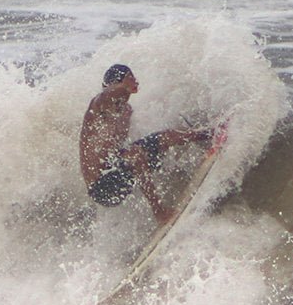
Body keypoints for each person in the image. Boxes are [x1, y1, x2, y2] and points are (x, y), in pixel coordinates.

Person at [79, 64, 212, 224]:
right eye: (130, 78)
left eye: (133, 77)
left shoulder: (126, 110)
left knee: (166, 137)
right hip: (102, 187)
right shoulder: (99, 107)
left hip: (118, 171)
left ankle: (209, 134)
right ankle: (160, 212)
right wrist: (122, 85)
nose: (135, 81)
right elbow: (106, 93)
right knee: (135, 154)